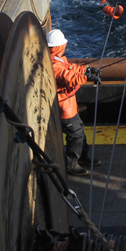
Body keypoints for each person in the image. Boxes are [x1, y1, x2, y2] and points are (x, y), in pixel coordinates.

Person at [47, 29, 102, 176]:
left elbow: (72, 68)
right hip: (63, 107)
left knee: (79, 131)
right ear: (59, 46)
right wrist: (87, 77)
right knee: (75, 134)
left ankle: (82, 157)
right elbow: (68, 77)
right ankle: (71, 164)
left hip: (70, 105)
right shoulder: (53, 65)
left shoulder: (59, 60)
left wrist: (87, 69)